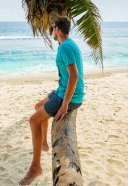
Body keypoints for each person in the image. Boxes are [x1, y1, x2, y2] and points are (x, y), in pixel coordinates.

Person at [19, 16, 85, 185]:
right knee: (38, 106)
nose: (51, 33)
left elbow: (74, 76)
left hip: (68, 98)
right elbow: (69, 76)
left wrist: (64, 106)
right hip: (62, 91)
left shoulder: (65, 48)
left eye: (52, 29)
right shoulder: (68, 44)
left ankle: (35, 168)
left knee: (33, 121)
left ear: (57, 29)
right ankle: (44, 143)